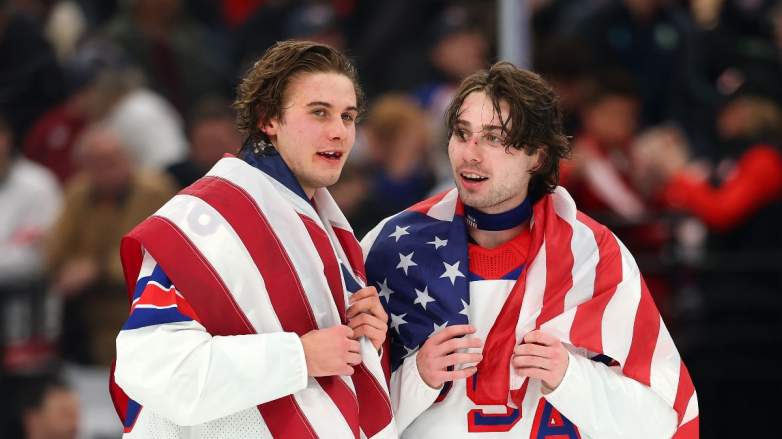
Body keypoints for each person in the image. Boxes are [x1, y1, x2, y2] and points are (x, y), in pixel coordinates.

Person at [362, 62, 699, 438]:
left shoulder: (594, 257)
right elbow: (339, 414)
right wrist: (417, 377)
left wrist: (570, 375)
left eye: (494, 138)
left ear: (537, 156)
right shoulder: (391, 248)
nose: (470, 153)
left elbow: (662, 423)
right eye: (462, 133)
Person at [111, 40, 395, 438]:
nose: (339, 132)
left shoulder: (327, 231)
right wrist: (297, 356)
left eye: (347, 116)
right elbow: (154, 371)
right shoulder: (203, 224)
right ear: (268, 119)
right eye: (319, 112)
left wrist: (369, 342)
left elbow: (332, 374)